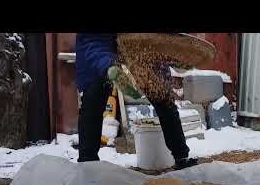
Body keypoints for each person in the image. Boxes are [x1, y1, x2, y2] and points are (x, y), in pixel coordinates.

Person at [75, 33, 198, 170]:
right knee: (159, 92)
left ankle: (181, 156)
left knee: (160, 91)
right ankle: (181, 156)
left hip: (128, 40)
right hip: (122, 39)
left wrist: (171, 52)